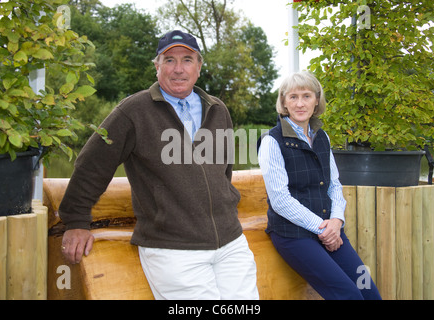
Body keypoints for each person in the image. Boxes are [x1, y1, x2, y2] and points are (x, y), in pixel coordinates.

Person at [59, 30, 259, 300]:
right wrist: (76, 221)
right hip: (174, 249)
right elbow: (91, 165)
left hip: (231, 242)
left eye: (187, 60)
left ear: (199, 67)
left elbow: (223, 171)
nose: (178, 69)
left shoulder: (217, 109)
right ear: (157, 67)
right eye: (169, 60)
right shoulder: (133, 111)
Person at [257, 71, 381, 300]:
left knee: (369, 291)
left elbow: (334, 185)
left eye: (306, 96)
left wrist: (336, 221)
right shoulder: (271, 142)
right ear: (283, 102)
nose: (300, 103)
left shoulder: (322, 137)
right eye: (293, 97)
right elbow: (280, 201)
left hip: (329, 229)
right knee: (348, 295)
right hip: (294, 236)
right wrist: (324, 228)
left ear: (317, 100)